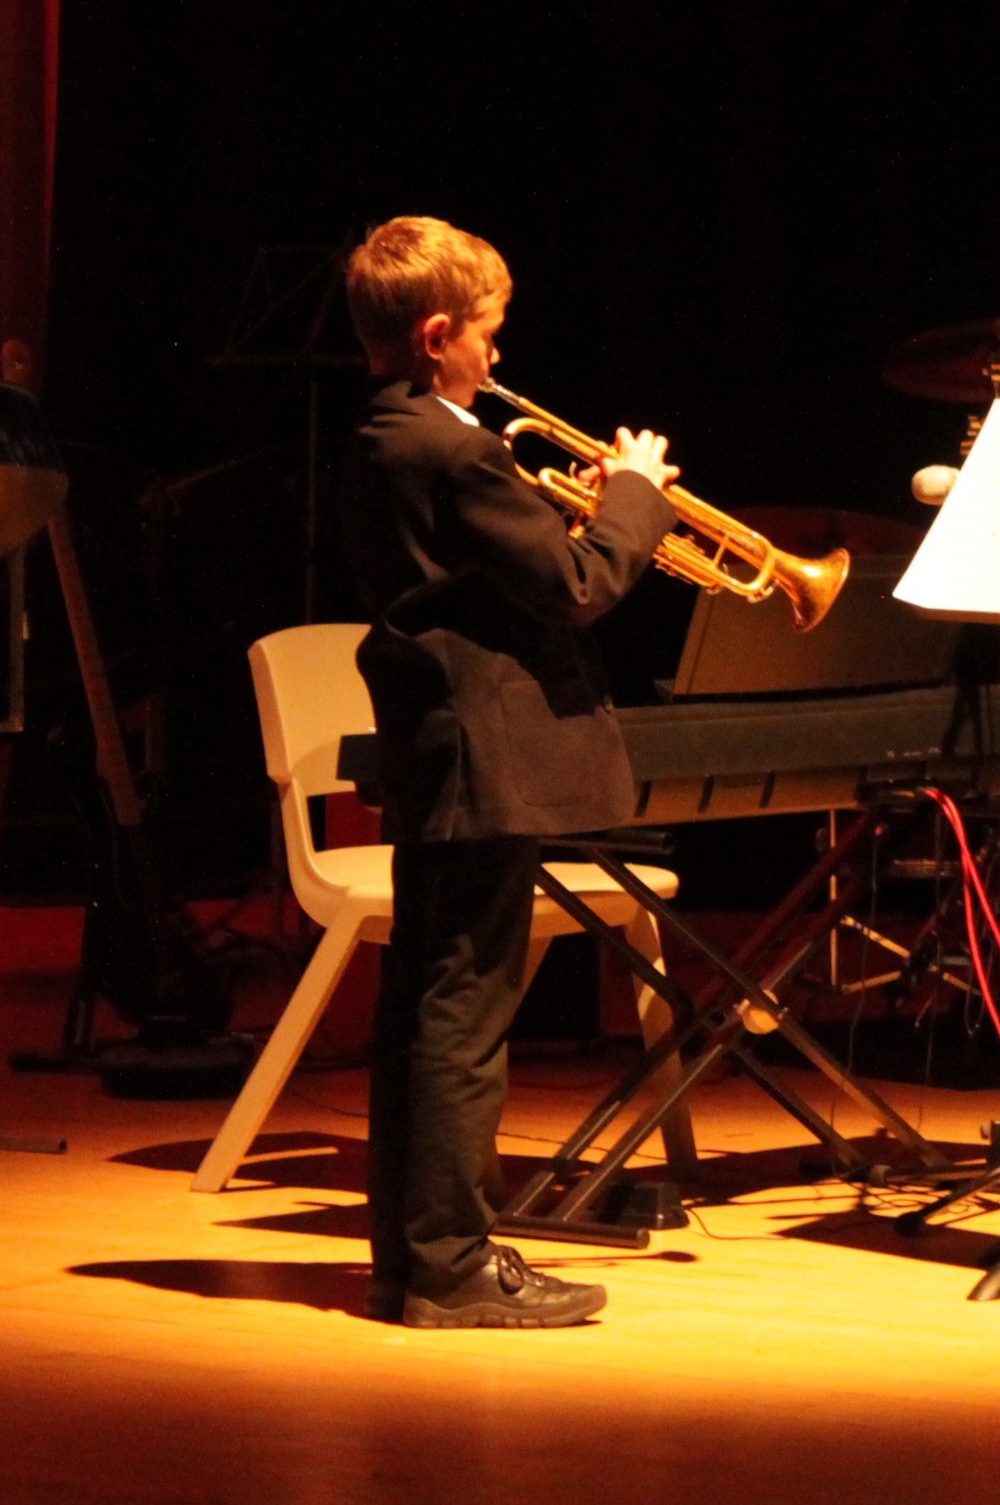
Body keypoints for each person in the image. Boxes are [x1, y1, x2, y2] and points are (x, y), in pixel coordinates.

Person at [337, 214, 679, 1328]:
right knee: (463, 1015)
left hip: (443, 745)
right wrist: (633, 493)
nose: (499, 357)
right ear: (438, 334)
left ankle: (415, 1259)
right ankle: (451, 1266)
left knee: (428, 1006)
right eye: (488, 334)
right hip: (488, 750)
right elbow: (581, 583)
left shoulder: (385, 432)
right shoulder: (457, 446)